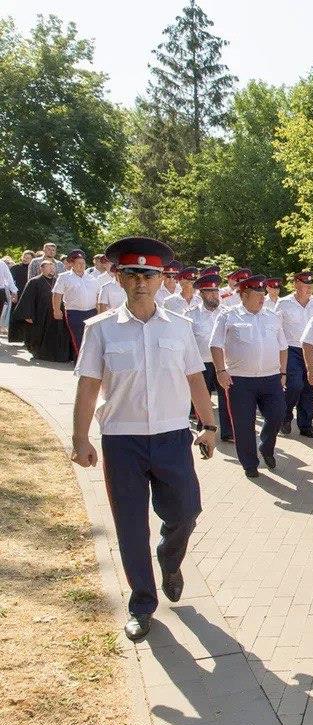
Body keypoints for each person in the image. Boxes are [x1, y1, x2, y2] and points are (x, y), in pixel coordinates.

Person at [70, 236, 217, 642]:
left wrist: (210, 425)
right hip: (122, 441)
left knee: (186, 511)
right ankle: (141, 603)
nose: (140, 282)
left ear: (160, 280)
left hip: (172, 437)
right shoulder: (100, 331)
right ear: (119, 278)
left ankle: (170, 558)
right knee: (131, 526)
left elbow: (195, 380)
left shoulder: (181, 328)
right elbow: (87, 386)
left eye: (148, 275)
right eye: (132, 274)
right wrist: (80, 438)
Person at [209, 274, 287, 478]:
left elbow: (283, 347)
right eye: (257, 294)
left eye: (263, 293)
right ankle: (250, 464)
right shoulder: (228, 316)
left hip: (271, 378)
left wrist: (283, 371)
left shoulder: (272, 316)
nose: (262, 298)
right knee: (243, 424)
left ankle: (267, 447)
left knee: (278, 415)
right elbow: (215, 345)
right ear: (243, 295)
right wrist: (220, 370)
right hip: (240, 380)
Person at [275, 271, 313, 438]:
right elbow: (276, 328)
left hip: (312, 350)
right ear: (296, 284)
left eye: (311, 286)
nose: (308, 289)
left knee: (310, 387)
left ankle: (305, 425)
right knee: (295, 385)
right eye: (305, 285)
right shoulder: (283, 303)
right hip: (292, 349)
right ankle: (285, 416)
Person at [185, 274, 233, 441]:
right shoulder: (191, 314)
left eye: (216, 291)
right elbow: (186, 340)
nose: (214, 295)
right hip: (201, 363)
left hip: (223, 363)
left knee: (226, 397)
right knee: (202, 396)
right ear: (201, 294)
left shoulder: (227, 313)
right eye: (210, 292)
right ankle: (203, 427)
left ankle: (229, 432)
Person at [13, 259, 72, 361]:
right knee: (39, 335)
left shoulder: (58, 281)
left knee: (56, 335)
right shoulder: (34, 281)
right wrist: (27, 315)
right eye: (49, 268)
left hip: (55, 314)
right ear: (42, 268)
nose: (52, 270)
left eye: (53, 268)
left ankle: (55, 355)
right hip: (39, 315)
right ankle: (40, 354)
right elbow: (27, 299)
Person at [52, 250, 100, 352]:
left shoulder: (92, 278)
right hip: (74, 312)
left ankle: (90, 363)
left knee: (92, 339)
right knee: (78, 338)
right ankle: (81, 363)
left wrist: (99, 312)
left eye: (83, 263)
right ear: (72, 264)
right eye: (78, 263)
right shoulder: (64, 277)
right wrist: (56, 310)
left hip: (92, 312)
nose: (82, 265)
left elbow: (97, 296)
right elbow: (57, 294)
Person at [6, 250, 33, 343]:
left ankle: (26, 338)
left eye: (28, 258)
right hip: (17, 294)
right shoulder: (15, 268)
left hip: (28, 295)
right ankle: (15, 337)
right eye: (24, 257)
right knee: (15, 315)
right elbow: (9, 282)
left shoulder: (32, 269)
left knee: (26, 316)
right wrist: (12, 294)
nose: (25, 259)